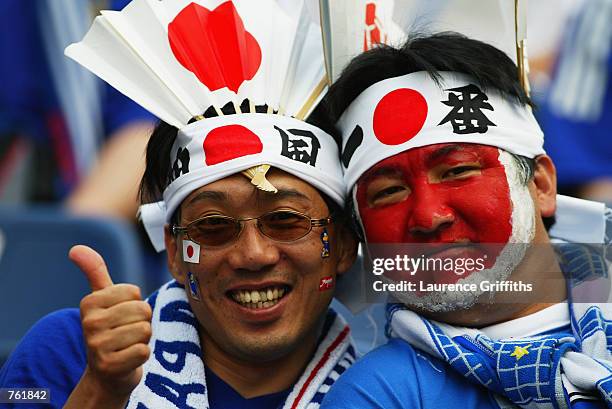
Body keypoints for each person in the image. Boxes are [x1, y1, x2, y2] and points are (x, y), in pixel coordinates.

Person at [0, 1, 359, 408]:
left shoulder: (399, 388)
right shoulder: (68, 353)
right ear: (173, 251)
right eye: (213, 227)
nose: (253, 255)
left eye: (285, 220)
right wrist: (102, 390)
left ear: (344, 244)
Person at [317, 33, 612, 408]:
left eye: (457, 171)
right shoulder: (381, 394)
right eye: (388, 192)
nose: (428, 216)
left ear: (540, 184)